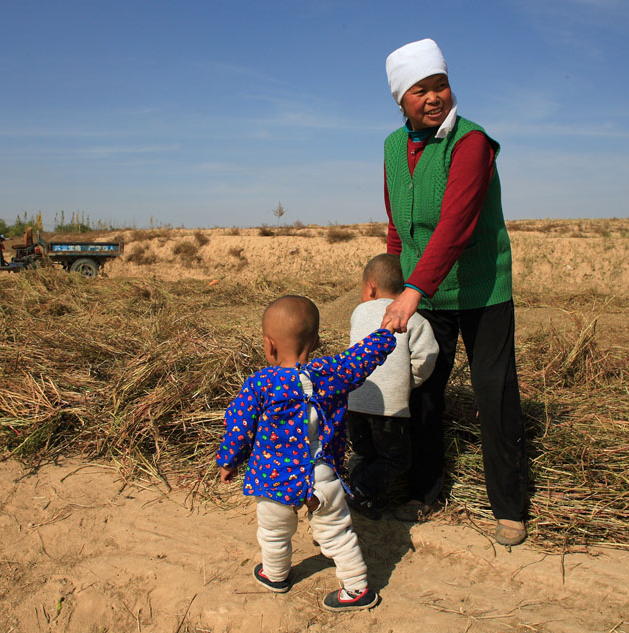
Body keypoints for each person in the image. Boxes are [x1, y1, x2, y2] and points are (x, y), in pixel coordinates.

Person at [379, 38, 529, 546]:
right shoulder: (392, 149)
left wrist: (413, 289)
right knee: (422, 392)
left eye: (439, 84)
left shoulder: (472, 142)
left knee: (496, 395)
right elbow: (400, 226)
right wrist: (391, 287)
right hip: (424, 293)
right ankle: (425, 490)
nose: (433, 97)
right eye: (419, 90)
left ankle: (509, 505)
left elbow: (457, 224)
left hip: (482, 289)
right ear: (400, 99)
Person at [216, 295, 395, 612]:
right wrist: (386, 332)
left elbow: (239, 427)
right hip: (324, 477)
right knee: (337, 533)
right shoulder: (332, 372)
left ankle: (276, 574)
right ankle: (357, 588)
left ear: (268, 345)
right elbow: (362, 357)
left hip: (275, 480)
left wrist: (228, 462)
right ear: (317, 341)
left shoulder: (261, 385)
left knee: (273, 533)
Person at [346, 254, 438, 520]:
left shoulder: (359, 312)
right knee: (395, 459)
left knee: (363, 452)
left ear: (370, 287)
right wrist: (409, 382)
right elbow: (426, 357)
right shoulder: (415, 319)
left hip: (355, 400)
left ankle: (359, 494)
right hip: (391, 407)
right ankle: (363, 491)